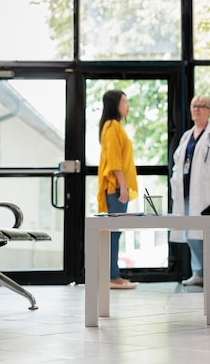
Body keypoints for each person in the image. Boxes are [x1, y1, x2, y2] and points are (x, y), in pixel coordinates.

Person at [170, 95, 210, 290]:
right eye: (194, 106)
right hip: (188, 192)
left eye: (201, 106)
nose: (197, 109)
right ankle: (199, 273)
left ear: (209, 110)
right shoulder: (187, 136)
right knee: (191, 234)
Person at [97, 90, 139, 290]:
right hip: (115, 187)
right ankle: (112, 277)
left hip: (117, 187)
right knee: (113, 232)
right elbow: (114, 160)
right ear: (115, 104)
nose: (127, 105)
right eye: (124, 101)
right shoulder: (112, 126)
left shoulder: (115, 126)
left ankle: (113, 275)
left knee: (115, 231)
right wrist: (123, 185)